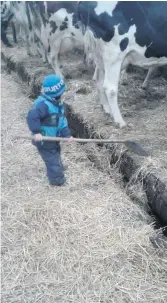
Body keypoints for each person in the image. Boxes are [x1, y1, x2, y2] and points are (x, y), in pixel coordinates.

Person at [26, 74, 73, 186]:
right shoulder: (43, 105)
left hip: (54, 138)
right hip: (44, 140)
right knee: (51, 160)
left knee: (56, 153)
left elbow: (62, 121)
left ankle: (58, 167)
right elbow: (31, 117)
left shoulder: (58, 104)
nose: (63, 95)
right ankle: (57, 181)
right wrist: (36, 132)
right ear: (56, 94)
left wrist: (66, 135)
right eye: (62, 93)